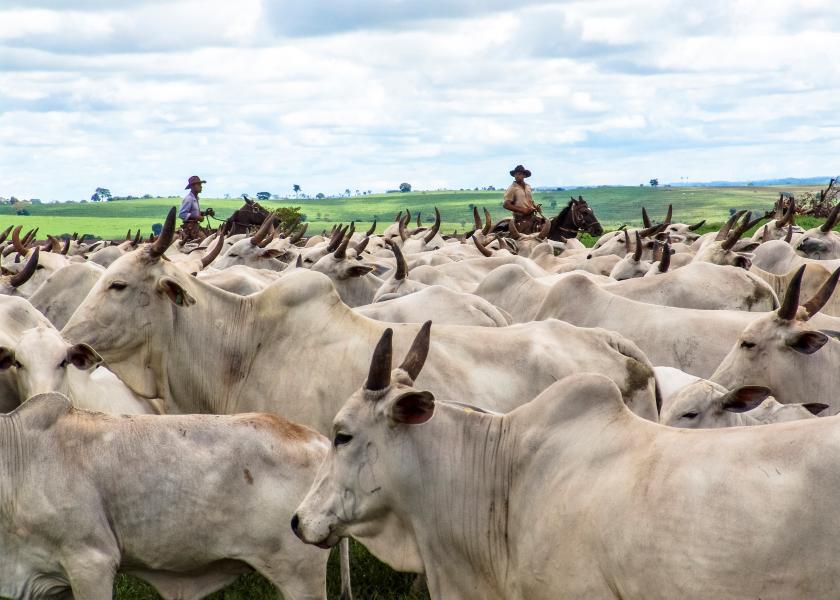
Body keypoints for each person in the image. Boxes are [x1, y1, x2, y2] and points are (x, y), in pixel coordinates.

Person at [503, 165, 544, 233]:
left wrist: (535, 206)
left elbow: (530, 201)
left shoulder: (528, 186)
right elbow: (506, 205)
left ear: (524, 175)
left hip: (532, 216)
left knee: (546, 225)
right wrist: (523, 210)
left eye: (519, 174)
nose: (517, 176)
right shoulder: (512, 188)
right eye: (516, 174)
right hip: (520, 218)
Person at [179, 175, 206, 240]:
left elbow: (193, 212)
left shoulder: (195, 198)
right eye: (199, 184)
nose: (201, 186)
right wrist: (197, 217)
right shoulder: (189, 199)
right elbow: (182, 214)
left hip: (195, 226)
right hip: (191, 228)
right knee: (204, 241)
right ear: (192, 186)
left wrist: (205, 213)